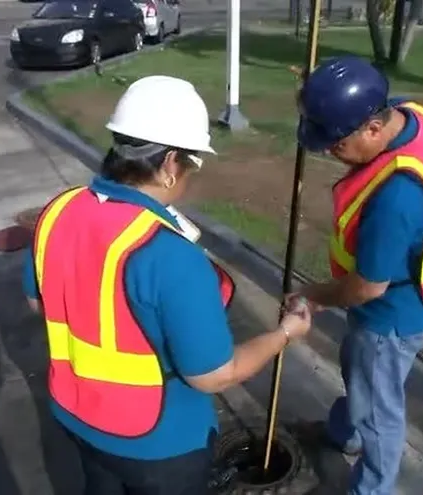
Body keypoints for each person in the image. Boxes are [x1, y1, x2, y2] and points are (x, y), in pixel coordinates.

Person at [20, 75, 313, 495]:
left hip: (76, 418)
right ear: (171, 162)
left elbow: (38, 302)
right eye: (193, 162)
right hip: (158, 446)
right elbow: (213, 376)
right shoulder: (170, 255)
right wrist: (285, 333)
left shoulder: (58, 212)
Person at [291, 56, 423, 495]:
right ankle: (343, 434)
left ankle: (371, 488)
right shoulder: (415, 115)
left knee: (379, 410)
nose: (328, 150)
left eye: (336, 142)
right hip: (413, 292)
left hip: (389, 313)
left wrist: (313, 295)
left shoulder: (395, 198)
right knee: (359, 374)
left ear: (373, 130)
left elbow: (365, 287)